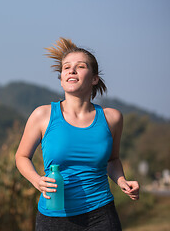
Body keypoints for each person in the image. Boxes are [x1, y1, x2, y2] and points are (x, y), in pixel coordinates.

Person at [15, 37, 139, 230]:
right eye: (66, 67)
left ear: (94, 78)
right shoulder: (43, 115)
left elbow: (112, 160)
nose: (71, 70)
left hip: (101, 213)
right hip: (53, 217)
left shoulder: (112, 118)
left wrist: (121, 180)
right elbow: (22, 156)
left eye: (80, 66)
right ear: (62, 78)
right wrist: (37, 180)